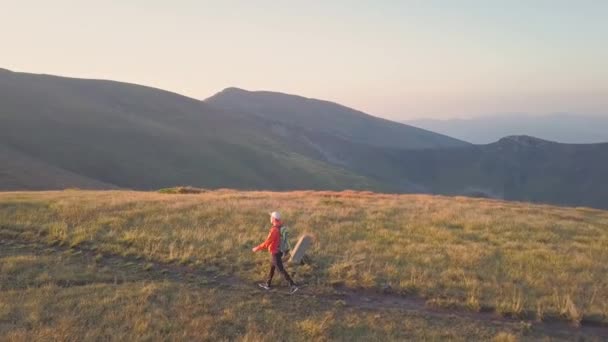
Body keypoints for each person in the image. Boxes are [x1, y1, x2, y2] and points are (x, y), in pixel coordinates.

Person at [252, 211, 298, 294]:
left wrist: (257, 248)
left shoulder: (274, 230)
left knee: (280, 269)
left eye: (271, 217)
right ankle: (267, 284)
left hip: (275, 252)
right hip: (279, 251)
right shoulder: (281, 227)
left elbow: (267, 243)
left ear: (273, 219)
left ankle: (293, 285)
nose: (270, 218)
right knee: (272, 267)